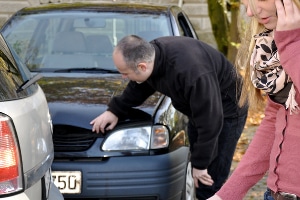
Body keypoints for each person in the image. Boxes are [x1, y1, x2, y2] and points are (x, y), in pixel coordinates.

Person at [90, 35, 248, 199]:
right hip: (200, 110)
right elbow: (140, 87)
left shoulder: (192, 72)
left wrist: (201, 165)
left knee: (210, 177)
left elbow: (211, 121)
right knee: (199, 169)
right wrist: (115, 110)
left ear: (142, 66)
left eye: (124, 73)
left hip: (227, 110)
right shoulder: (152, 56)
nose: (123, 77)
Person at [208, 0, 300, 199]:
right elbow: (273, 124)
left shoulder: (288, 43)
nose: (250, 12)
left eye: (258, 0)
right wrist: (227, 194)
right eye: (244, 4)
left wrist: (290, 43)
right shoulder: (273, 43)